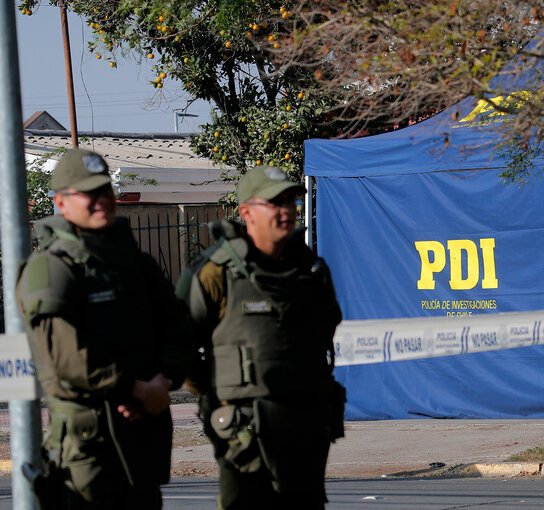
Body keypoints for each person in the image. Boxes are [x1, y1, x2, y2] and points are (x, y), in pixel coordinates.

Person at [15, 148, 193, 509]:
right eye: (88, 194)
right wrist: (132, 388)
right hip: (88, 449)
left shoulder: (135, 262)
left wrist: (162, 381)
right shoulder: (51, 267)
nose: (100, 201)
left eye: (104, 191)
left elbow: (180, 328)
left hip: (142, 437)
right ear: (61, 203)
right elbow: (66, 355)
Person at [182, 165, 343, 509]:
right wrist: (216, 396)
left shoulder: (311, 269)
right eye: (275, 203)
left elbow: (327, 328)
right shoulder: (215, 272)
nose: (286, 211)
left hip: (306, 422)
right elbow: (179, 345)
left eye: (290, 201)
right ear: (246, 212)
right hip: (244, 430)